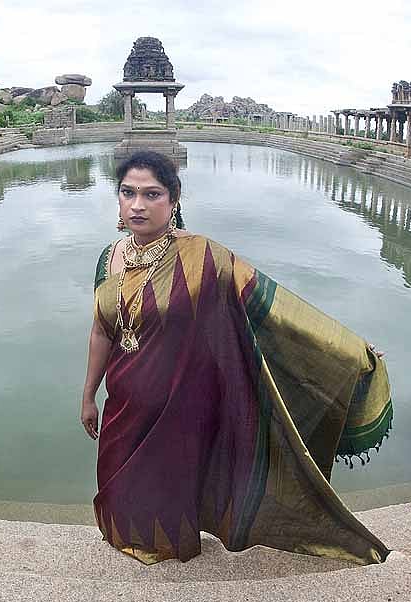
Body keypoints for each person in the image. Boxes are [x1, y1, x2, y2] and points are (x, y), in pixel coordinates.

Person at [81, 150, 392, 565]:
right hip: (124, 402)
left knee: (168, 486)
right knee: (117, 482)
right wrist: (88, 394)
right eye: (128, 193)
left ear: (173, 202)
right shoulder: (108, 258)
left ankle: (167, 547)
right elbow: (102, 329)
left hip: (179, 403)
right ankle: (129, 536)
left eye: (152, 194)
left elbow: (271, 308)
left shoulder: (205, 257)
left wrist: (347, 349)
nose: (138, 205)